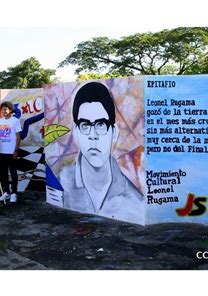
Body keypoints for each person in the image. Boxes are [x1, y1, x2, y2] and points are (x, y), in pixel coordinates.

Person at [58, 82, 144, 224]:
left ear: (114, 133)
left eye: (100, 125)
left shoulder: (135, 201)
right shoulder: (61, 186)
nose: (93, 135)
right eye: (85, 125)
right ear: (76, 132)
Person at [0, 101, 22, 203]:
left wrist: (16, 150)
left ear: (11, 110)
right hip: (2, 151)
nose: (4, 111)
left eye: (6, 109)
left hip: (11, 152)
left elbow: (18, 136)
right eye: (2, 109)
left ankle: (14, 193)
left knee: (13, 172)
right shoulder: (0, 121)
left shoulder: (15, 121)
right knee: (3, 173)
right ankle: (6, 192)